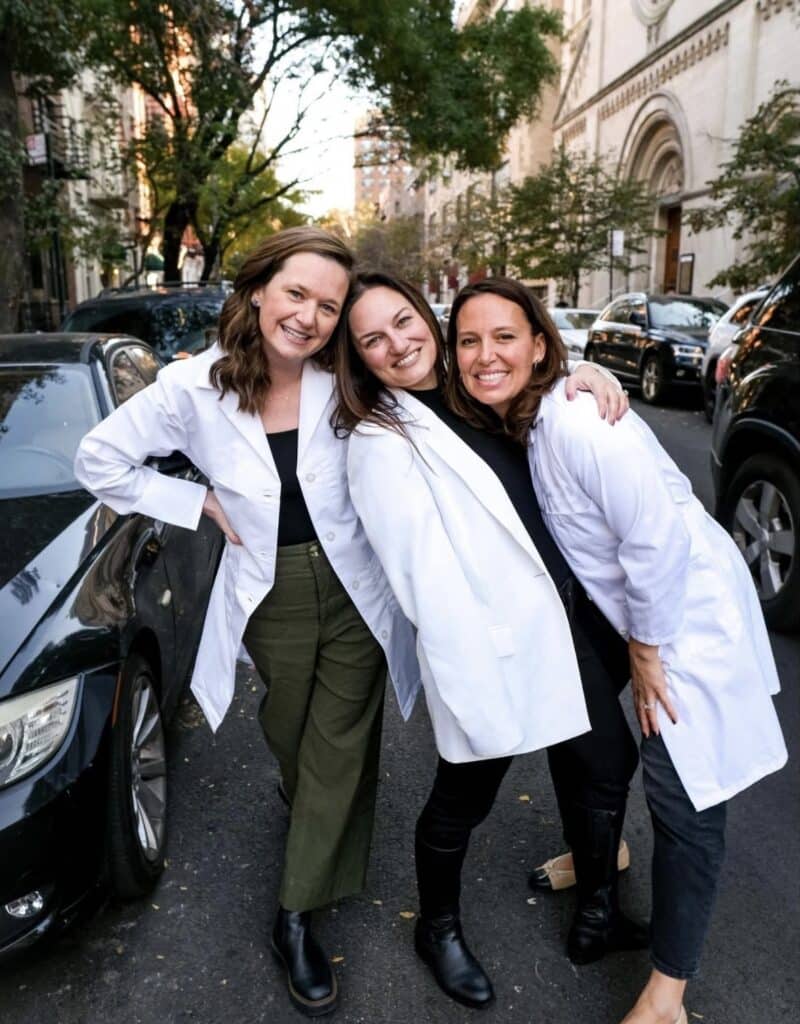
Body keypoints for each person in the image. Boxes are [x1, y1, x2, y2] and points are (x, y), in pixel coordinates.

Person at [74, 228, 422, 1018]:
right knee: (294, 733)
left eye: (329, 307)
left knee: (339, 743)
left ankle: (294, 915)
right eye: (297, 294)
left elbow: (435, 387)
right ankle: (311, 812)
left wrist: (578, 377)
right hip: (272, 594)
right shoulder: (192, 388)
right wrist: (192, 501)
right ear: (259, 289)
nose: (310, 317)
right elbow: (99, 461)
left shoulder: (348, 373)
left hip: (360, 584)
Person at [446, 277, 788, 1024]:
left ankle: (667, 997)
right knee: (613, 756)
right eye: (469, 341)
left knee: (688, 799)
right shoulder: (533, 409)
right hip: (642, 614)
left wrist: (645, 650)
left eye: (505, 337)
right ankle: (611, 862)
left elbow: (653, 539)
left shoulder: (576, 421)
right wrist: (577, 370)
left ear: (539, 343)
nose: (485, 355)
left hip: (683, 622)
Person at [334, 272, 644, 1011]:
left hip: (572, 616)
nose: (397, 343)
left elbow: (534, 379)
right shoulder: (381, 439)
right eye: (373, 338)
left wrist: (585, 372)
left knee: (602, 761)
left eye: (404, 321)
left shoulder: (477, 388)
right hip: (494, 641)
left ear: (426, 316)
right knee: (463, 793)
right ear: (358, 358)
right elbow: (421, 581)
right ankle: (435, 928)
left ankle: (596, 916)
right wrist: (484, 652)